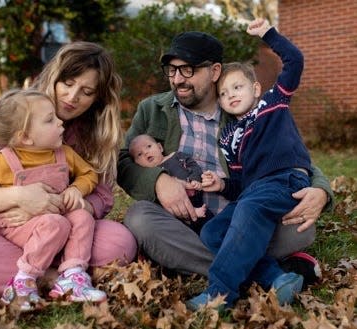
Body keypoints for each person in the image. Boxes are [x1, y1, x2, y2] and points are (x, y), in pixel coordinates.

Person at [117, 28, 332, 285]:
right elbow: (123, 161)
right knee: (139, 218)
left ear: (215, 71)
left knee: (300, 230)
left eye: (188, 70)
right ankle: (261, 269)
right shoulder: (152, 109)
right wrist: (158, 180)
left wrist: (320, 191)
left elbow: (291, 157)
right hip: (181, 223)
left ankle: (201, 262)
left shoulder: (241, 109)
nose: (177, 79)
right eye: (172, 71)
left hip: (239, 219)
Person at [0, 41, 137, 298]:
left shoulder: (93, 133)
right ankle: (51, 278)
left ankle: (48, 274)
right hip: (7, 230)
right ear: (54, 78)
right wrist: (21, 198)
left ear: (97, 98)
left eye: (86, 91)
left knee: (119, 241)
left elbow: (102, 197)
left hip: (66, 230)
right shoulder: (8, 116)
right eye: (68, 84)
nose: (73, 97)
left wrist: (69, 201)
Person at [186, 18, 313, 310]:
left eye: (237, 87)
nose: (229, 94)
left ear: (255, 88)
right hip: (256, 191)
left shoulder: (273, 103)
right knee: (212, 232)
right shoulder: (229, 137)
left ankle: (220, 293)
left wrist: (268, 34)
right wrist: (222, 185)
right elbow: (243, 186)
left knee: (249, 207)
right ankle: (277, 279)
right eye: (223, 93)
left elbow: (295, 60)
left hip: (285, 180)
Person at [0, 89, 107, 310]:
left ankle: (73, 275)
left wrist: (76, 188)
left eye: (56, 116)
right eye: (49, 120)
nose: (60, 122)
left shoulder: (64, 153)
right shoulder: (3, 161)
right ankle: (23, 281)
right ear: (25, 137)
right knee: (56, 224)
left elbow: (89, 174)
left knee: (82, 216)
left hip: (55, 216)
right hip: (17, 225)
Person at [129, 134, 211, 232]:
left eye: (149, 146)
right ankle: (193, 213)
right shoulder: (150, 176)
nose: (146, 152)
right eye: (139, 154)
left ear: (160, 147)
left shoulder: (176, 156)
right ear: (137, 164)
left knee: (210, 225)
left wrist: (195, 179)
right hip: (176, 216)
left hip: (197, 199)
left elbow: (193, 165)